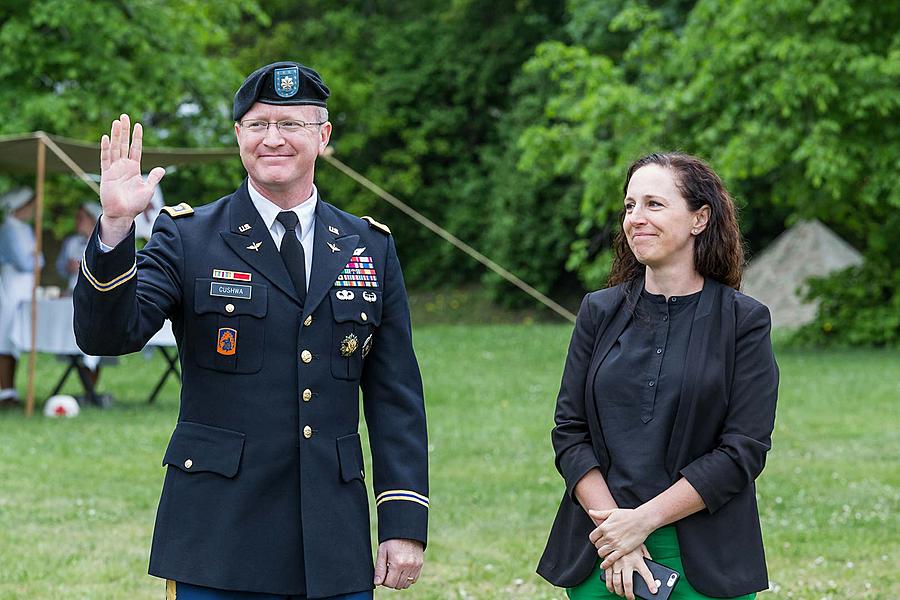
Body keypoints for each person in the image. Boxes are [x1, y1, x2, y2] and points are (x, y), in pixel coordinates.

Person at [74, 62, 428, 599]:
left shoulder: (367, 245)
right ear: (238, 134)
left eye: (291, 124)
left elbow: (395, 392)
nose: (273, 139)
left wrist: (403, 522)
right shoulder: (188, 236)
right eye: (258, 124)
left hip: (331, 541)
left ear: (323, 136)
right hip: (218, 537)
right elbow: (107, 336)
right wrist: (118, 228)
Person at [537, 153, 779, 600]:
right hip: (601, 550)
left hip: (705, 558)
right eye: (630, 206)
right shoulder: (598, 311)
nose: (636, 219)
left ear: (699, 219)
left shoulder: (744, 321)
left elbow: (743, 450)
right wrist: (617, 532)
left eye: (654, 204)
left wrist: (643, 522)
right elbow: (570, 433)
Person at [0, 187, 44, 408]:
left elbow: (40, 261)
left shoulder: (27, 230)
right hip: (11, 287)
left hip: (26, 287)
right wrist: (33, 258)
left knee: (16, 335)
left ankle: (11, 390)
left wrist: (34, 258)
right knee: (6, 337)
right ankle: (5, 390)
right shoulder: (8, 229)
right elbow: (24, 262)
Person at [57, 202, 102, 293]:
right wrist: (67, 268)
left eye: (81, 218)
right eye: (76, 218)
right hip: (73, 292)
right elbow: (60, 267)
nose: (76, 221)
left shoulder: (105, 243)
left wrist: (83, 268)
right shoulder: (71, 242)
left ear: (92, 219)